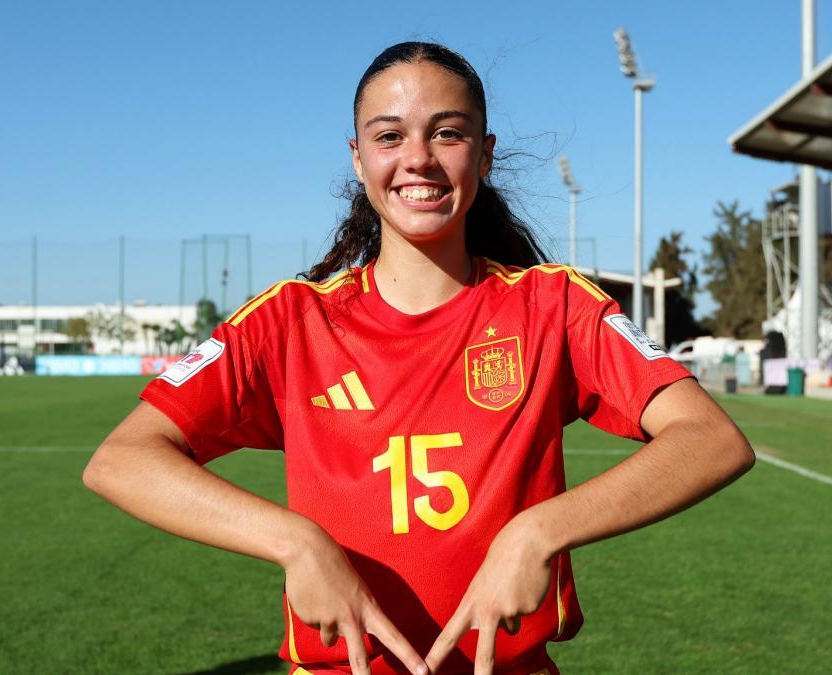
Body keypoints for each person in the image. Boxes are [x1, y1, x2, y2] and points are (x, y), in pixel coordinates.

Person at [83, 42, 755, 675]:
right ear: (357, 157)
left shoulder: (554, 307)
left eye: (448, 132)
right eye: (389, 135)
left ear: (484, 154)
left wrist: (538, 531)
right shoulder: (288, 321)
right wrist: (295, 541)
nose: (419, 159)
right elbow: (122, 459)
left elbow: (710, 439)